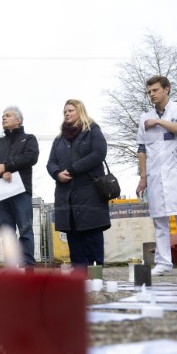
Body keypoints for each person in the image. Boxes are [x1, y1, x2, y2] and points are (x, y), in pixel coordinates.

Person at [136, 75, 177, 277]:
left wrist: (159, 121)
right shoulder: (143, 117)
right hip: (156, 173)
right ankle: (163, 262)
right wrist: (143, 176)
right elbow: (141, 148)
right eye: (149, 92)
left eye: (155, 90)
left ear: (167, 89)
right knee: (159, 219)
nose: (151, 95)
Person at [46, 99, 110, 267]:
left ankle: (95, 273)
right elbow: (50, 162)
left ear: (80, 111)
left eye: (71, 110)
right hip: (66, 193)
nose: (67, 113)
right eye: (65, 111)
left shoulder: (93, 131)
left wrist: (73, 169)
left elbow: (99, 153)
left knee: (92, 232)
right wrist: (57, 173)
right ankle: (78, 275)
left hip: (90, 191)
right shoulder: (59, 139)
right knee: (73, 235)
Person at [0, 106, 40, 267]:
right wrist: (2, 172)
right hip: (0, 193)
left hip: (21, 192)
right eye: (2, 116)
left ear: (19, 120)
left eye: (7, 115)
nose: (3, 118)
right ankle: (10, 267)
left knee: (25, 230)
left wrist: (7, 166)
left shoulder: (29, 139)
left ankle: (27, 265)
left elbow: (31, 157)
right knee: (7, 233)